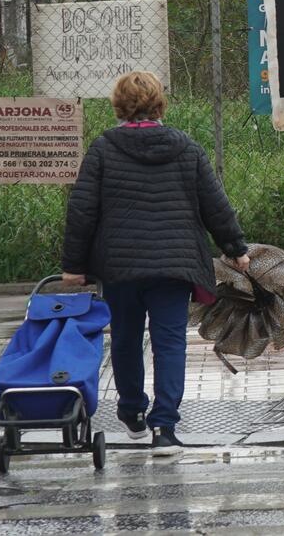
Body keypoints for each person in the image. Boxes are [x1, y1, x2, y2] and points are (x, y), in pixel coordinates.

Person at [60, 71, 248, 452]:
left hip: (120, 266)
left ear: (118, 106)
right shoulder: (187, 148)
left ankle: (132, 413)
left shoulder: (103, 149)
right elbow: (216, 205)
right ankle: (165, 428)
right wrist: (236, 249)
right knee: (169, 343)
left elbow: (82, 212)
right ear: (160, 104)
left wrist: (74, 266)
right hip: (173, 266)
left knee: (126, 340)